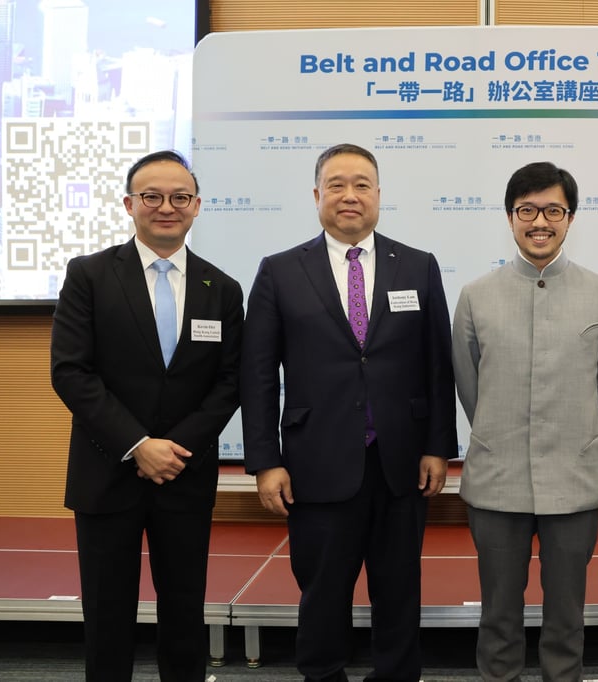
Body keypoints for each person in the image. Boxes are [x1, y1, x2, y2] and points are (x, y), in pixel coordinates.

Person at [240, 143, 457, 682]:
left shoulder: (420, 267)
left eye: (362, 184)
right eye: (336, 184)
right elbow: (259, 376)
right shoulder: (280, 271)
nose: (349, 195)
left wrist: (437, 446)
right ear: (316, 196)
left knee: (400, 590)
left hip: (401, 462)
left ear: (379, 195)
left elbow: (438, 366)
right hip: (317, 463)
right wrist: (265, 460)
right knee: (322, 592)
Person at [50, 150, 243, 681]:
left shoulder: (220, 288)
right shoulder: (89, 275)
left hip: (184, 473)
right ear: (130, 204)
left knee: (184, 611)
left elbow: (230, 382)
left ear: (197, 206)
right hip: (106, 471)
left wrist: (173, 449)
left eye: (179, 197)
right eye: (152, 196)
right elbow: (71, 372)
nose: (166, 207)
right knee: (107, 615)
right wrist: (139, 444)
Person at [452, 161, 598, 681]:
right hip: (496, 480)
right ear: (510, 217)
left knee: (566, 620)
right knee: (498, 618)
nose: (540, 222)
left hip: (573, 482)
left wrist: (571, 430)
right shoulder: (475, 296)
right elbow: (469, 386)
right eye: (527, 210)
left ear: (570, 217)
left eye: (553, 210)